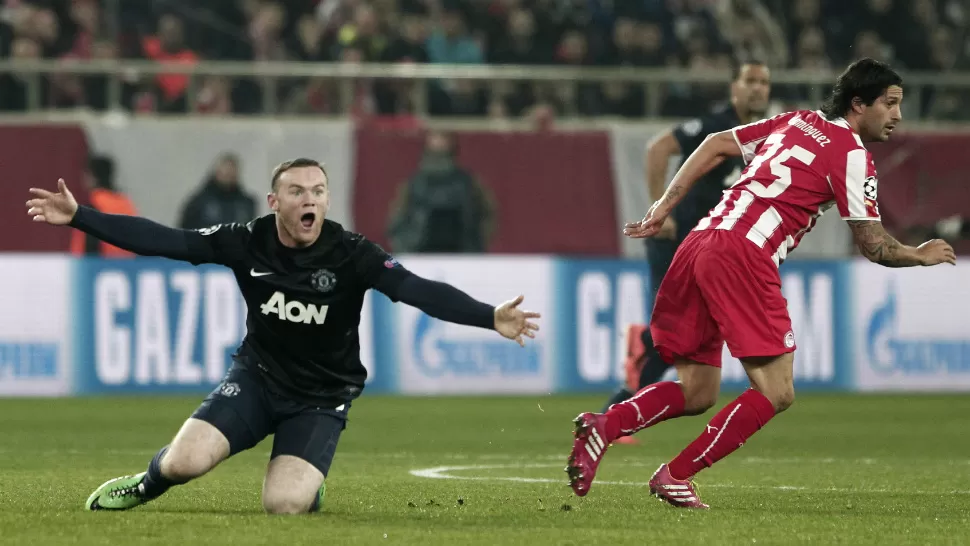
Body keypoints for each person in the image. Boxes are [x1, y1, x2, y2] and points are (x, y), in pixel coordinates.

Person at [26, 158, 540, 514]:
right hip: (256, 379)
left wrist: (487, 315)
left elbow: (413, 288)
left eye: (318, 191)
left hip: (321, 397)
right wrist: (80, 217)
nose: (309, 200)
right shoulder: (247, 240)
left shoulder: (352, 252)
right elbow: (170, 241)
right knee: (183, 464)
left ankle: (306, 481)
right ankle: (143, 483)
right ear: (276, 200)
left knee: (285, 506)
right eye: (297, 191)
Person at [565, 58, 956, 509]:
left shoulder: (796, 121)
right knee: (777, 389)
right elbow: (874, 245)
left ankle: (605, 426)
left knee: (698, 390)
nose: (897, 116)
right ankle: (674, 475)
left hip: (699, 243)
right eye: (889, 104)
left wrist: (663, 206)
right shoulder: (853, 156)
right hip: (744, 256)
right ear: (858, 104)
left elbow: (715, 144)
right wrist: (918, 254)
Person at [600, 60, 772, 442]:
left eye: (764, 82)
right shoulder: (716, 125)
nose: (759, 89)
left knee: (687, 335)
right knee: (676, 334)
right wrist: (662, 207)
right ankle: (622, 395)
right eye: (751, 81)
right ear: (734, 89)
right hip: (675, 240)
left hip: (710, 247)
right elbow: (658, 148)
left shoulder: (764, 136)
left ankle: (624, 392)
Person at [68, 155, 138, 258]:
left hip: (96, 268)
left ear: (92, 177)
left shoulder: (94, 204)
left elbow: (90, 245)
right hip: (125, 268)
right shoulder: (126, 204)